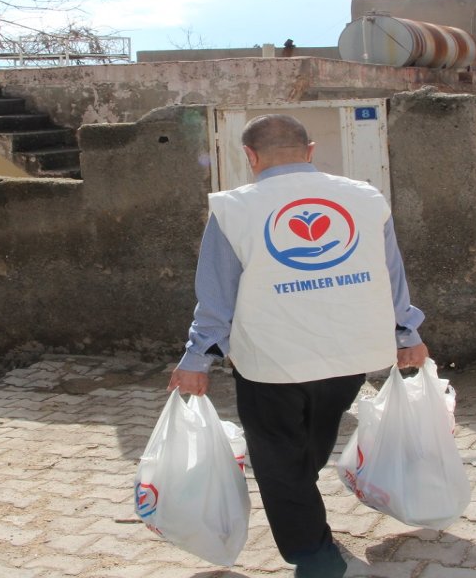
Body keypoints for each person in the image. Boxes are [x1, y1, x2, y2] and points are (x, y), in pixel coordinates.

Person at [169, 114, 428, 577]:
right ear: (310, 151)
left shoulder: (234, 208)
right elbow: (392, 274)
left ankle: (316, 559)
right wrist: (407, 334)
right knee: (309, 443)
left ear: (249, 156)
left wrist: (197, 359)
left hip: (273, 362)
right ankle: (307, 522)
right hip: (352, 356)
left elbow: (216, 296)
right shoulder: (365, 198)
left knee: (280, 462)